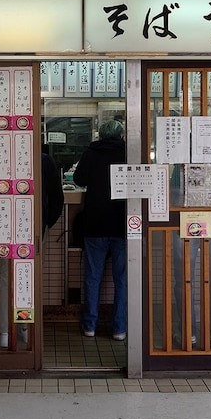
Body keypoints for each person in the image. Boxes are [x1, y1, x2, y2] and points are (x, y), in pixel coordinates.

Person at [0, 150, 65, 349]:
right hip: (33, 229)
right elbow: (57, 197)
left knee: (4, 280)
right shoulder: (43, 159)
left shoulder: (1, 154)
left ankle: (3, 332)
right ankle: (25, 327)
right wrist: (45, 223)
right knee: (27, 278)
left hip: (3, 229)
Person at [73, 119, 127, 341]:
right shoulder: (129, 151)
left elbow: (78, 179)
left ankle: (90, 326)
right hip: (123, 223)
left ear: (101, 134)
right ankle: (119, 328)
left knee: (93, 277)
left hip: (95, 222)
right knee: (122, 278)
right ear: (122, 134)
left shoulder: (91, 152)